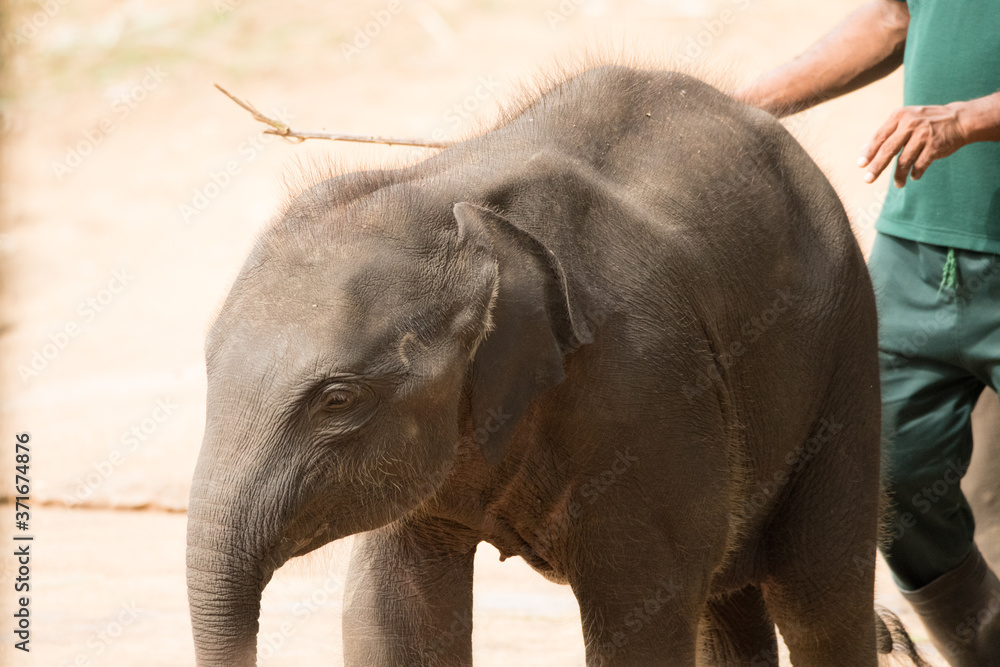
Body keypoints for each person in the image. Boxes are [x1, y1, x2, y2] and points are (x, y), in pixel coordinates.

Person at [734, 1, 1000, 664]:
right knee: (880, 469)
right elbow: (894, 16)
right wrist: (741, 108)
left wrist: (967, 117)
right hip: (916, 246)